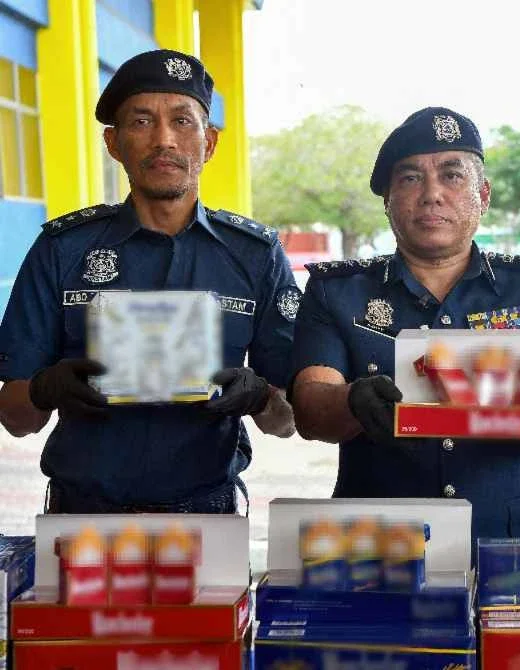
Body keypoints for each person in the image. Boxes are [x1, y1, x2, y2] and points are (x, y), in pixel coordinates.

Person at [289, 107, 520, 544]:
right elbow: (310, 407)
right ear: (386, 199)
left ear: (484, 193)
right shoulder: (336, 292)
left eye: (452, 176)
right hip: (381, 546)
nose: (431, 194)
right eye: (409, 178)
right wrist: (353, 400)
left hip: (514, 543)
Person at [0, 49, 299, 513]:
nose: (164, 140)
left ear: (210, 143)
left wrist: (261, 397)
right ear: (113, 143)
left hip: (208, 517)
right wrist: (43, 389)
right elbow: (16, 418)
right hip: (82, 519)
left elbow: (287, 421)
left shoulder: (254, 256)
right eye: (141, 122)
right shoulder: (62, 250)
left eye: (183, 121)